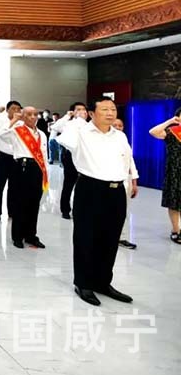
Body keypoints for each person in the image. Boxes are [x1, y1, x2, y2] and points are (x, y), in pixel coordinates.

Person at [58, 96, 138, 307]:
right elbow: (63, 139)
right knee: (85, 237)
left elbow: (127, 159)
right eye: (104, 109)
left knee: (110, 239)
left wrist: (132, 179)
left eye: (113, 109)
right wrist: (77, 120)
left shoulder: (119, 135)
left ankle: (103, 282)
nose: (110, 113)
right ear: (92, 113)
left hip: (116, 191)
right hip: (90, 189)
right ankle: (83, 283)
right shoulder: (80, 132)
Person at [0, 106, 48, 249]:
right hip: (22, 168)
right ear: (23, 116)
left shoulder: (41, 134)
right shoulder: (17, 130)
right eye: (29, 114)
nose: (32, 117)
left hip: (37, 169)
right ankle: (17, 236)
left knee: (34, 203)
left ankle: (31, 235)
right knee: (20, 203)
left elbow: (44, 155)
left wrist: (45, 173)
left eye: (35, 114)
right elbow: (1, 134)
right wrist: (14, 120)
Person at [148, 107, 181, 245]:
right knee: (174, 202)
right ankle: (176, 230)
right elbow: (153, 132)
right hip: (175, 172)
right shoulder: (172, 132)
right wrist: (170, 121)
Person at [51, 102, 88, 220]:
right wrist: (68, 116)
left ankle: (80, 209)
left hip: (84, 157)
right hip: (70, 156)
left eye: (83, 109)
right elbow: (55, 127)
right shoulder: (68, 123)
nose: (82, 112)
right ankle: (65, 209)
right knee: (68, 183)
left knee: (83, 185)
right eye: (78, 109)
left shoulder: (88, 125)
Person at [114, 118, 139, 249]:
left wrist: (134, 182)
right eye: (115, 125)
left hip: (125, 180)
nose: (118, 127)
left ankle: (120, 237)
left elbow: (130, 161)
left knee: (123, 210)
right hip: (109, 181)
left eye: (120, 125)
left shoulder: (123, 139)